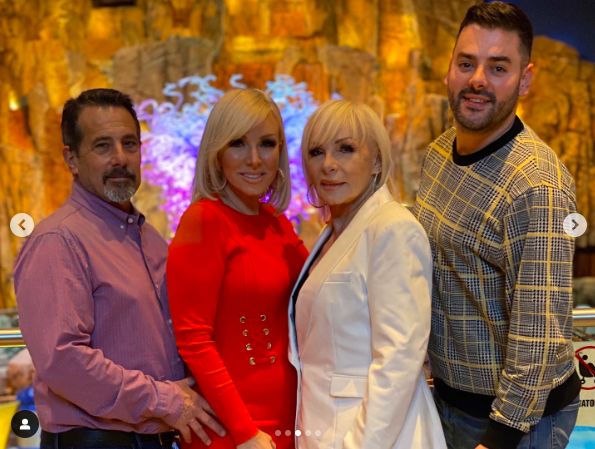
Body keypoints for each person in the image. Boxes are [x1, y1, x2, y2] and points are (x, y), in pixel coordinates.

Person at [14, 89, 225, 449]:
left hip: (158, 437)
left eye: (130, 144)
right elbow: (63, 361)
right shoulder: (57, 240)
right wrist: (166, 400)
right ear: (72, 159)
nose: (120, 158)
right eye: (102, 146)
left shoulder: (149, 237)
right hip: (98, 441)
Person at [412, 3, 581, 449]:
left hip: (514, 423)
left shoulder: (537, 186)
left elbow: (538, 334)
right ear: (449, 69)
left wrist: (500, 437)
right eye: (467, 63)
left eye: (498, 67)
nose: (478, 80)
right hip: (448, 400)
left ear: (525, 79)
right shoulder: (439, 151)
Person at [290, 99, 447, 449]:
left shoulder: (393, 228)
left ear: (376, 160)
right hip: (324, 427)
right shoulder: (334, 232)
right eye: (317, 152)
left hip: (372, 436)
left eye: (345, 149)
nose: (329, 165)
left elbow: (398, 360)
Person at [167, 88, 309, 449]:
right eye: (237, 144)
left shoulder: (277, 224)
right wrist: (245, 433)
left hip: (291, 419)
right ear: (216, 153)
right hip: (234, 429)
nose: (254, 159)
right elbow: (194, 340)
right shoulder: (204, 221)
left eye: (266, 143)